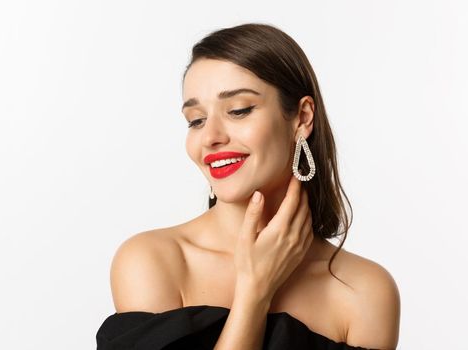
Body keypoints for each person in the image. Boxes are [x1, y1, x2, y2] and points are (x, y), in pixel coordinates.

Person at [96, 23, 400, 350]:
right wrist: (255, 292)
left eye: (238, 110)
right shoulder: (152, 261)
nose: (210, 136)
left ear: (302, 117)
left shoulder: (366, 292)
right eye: (196, 120)